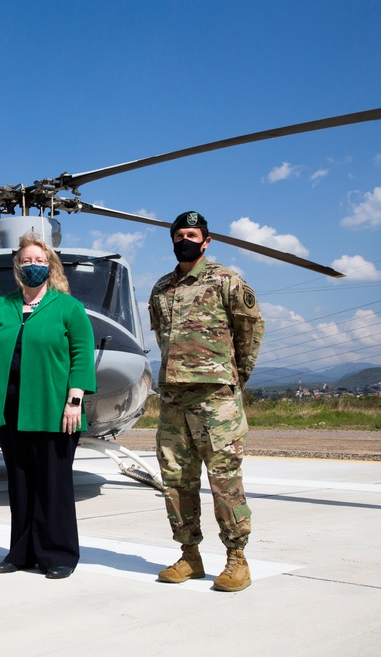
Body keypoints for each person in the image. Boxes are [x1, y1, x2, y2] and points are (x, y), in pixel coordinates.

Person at [0, 231, 97, 579]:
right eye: (27, 261)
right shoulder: (0, 307)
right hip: (11, 411)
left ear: (50, 265)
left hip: (55, 410)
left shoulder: (68, 307)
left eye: (40, 260)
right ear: (17, 266)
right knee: (19, 483)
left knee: (54, 484)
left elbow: (83, 355)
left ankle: (59, 554)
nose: (33, 266)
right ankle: (21, 551)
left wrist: (74, 401)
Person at [147, 210, 264, 592]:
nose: (186, 239)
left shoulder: (226, 280)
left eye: (192, 234)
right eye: (179, 233)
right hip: (173, 398)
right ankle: (189, 555)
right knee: (176, 480)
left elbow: (250, 330)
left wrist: (234, 379)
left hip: (216, 398)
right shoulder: (161, 288)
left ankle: (236, 558)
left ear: (206, 240)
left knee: (223, 480)